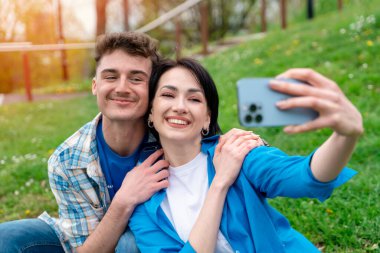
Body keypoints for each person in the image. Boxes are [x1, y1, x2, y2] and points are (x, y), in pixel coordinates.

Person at [0, 32, 260, 253]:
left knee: (128, 244)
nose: (122, 88)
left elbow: (212, 144)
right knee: (7, 237)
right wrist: (124, 200)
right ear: (95, 85)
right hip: (90, 234)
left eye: (136, 78)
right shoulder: (67, 159)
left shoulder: (170, 134)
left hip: (156, 236)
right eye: (111, 77)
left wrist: (249, 145)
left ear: (153, 90)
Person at [128, 58, 363, 252]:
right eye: (168, 95)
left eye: (194, 99)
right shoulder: (145, 196)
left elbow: (304, 177)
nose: (180, 106)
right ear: (150, 112)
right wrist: (220, 184)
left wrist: (345, 136)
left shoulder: (235, 151)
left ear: (207, 118)